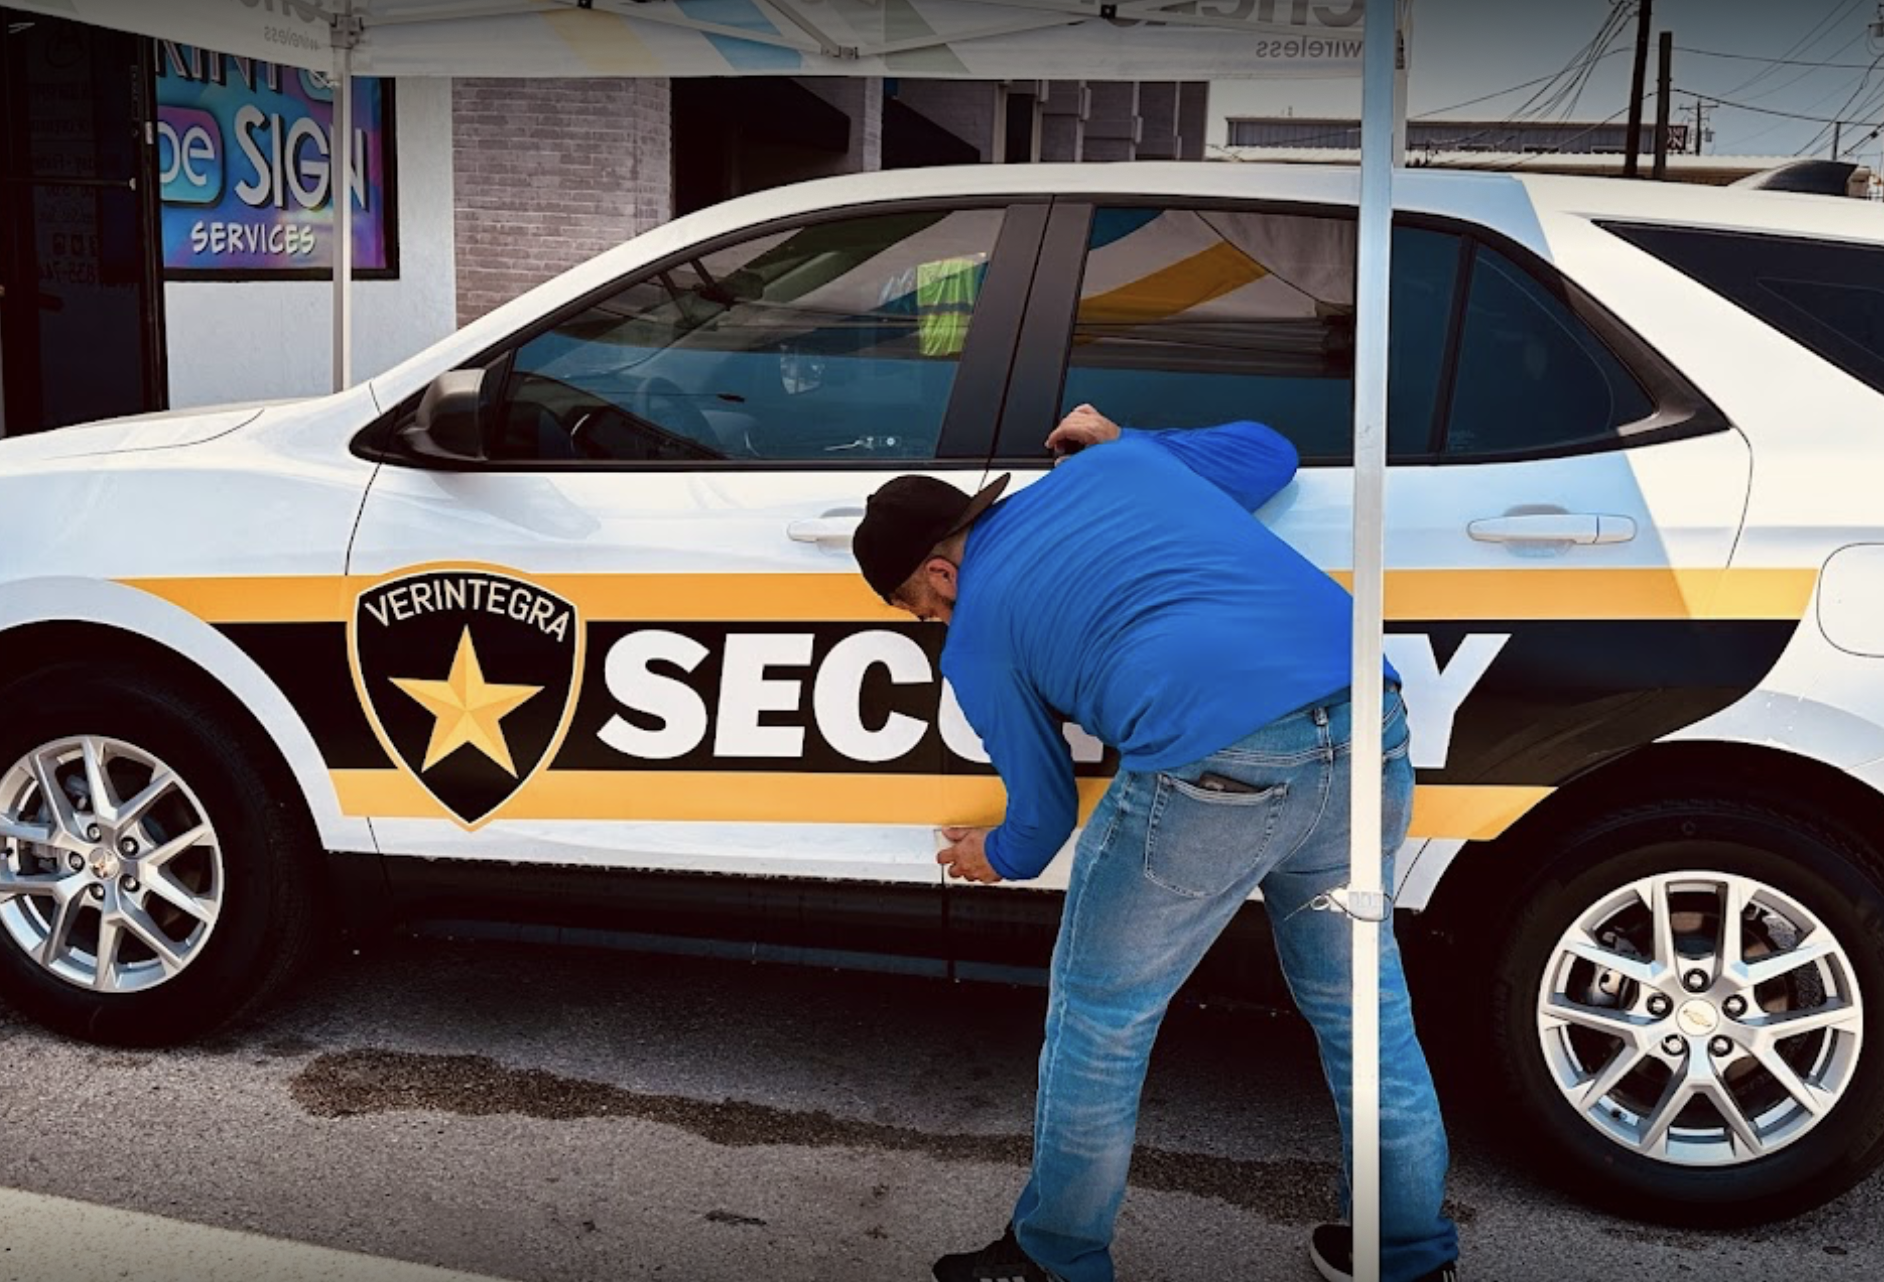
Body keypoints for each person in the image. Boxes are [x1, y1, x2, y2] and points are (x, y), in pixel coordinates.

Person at [849, 405, 1459, 1282]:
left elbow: (1044, 808)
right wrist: (1126, 438)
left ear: (942, 573)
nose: (930, 623)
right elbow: (1271, 450)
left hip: (1218, 771)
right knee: (1365, 1007)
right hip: (1370, 727)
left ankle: (1053, 1259)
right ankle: (1402, 1254)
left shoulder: (977, 633)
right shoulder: (1110, 469)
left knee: (1100, 1017)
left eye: (917, 608)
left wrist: (997, 857)